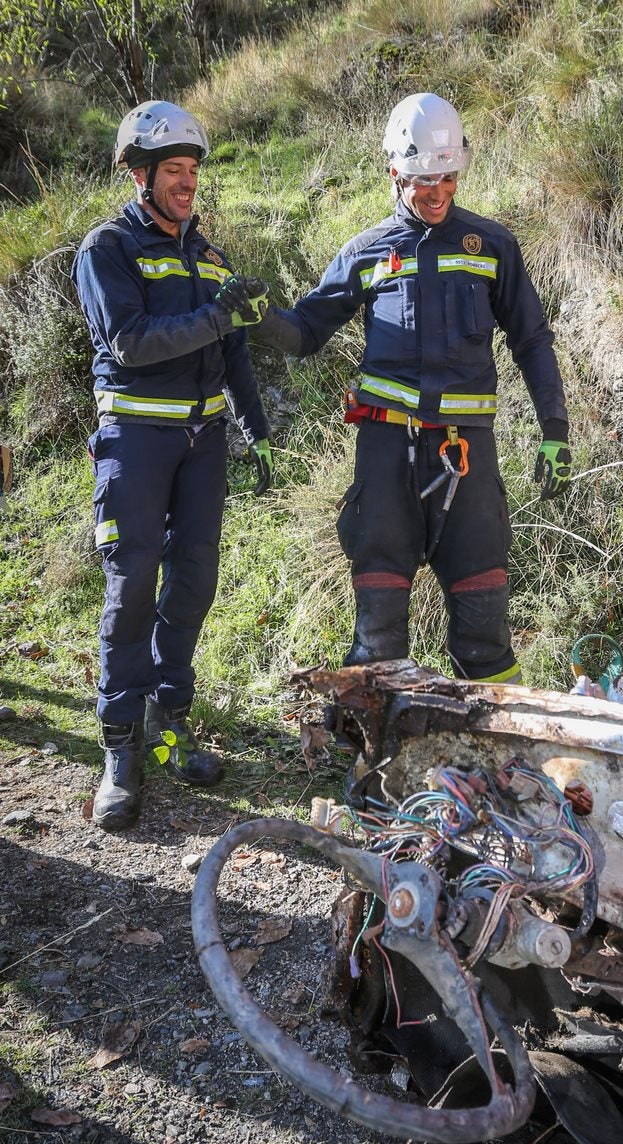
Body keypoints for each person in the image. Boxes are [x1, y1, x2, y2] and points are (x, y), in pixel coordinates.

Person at [250, 91, 572, 684]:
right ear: (395, 173)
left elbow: (531, 339)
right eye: (425, 179)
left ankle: (491, 737)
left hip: (466, 457)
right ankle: (379, 738)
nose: (438, 191)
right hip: (386, 457)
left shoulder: (492, 246)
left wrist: (555, 428)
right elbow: (305, 332)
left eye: (448, 176)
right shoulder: (366, 252)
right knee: (379, 639)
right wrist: (260, 318)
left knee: (485, 635)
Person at [71, 100, 272, 831]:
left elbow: (234, 351)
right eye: (173, 170)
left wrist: (257, 430)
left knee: (194, 582)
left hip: (203, 445)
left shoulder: (210, 257)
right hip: (135, 442)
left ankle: (169, 722)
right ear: (141, 175)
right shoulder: (107, 249)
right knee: (132, 589)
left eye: (192, 170)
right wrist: (219, 315)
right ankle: (120, 750)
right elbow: (129, 341)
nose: (187, 182)